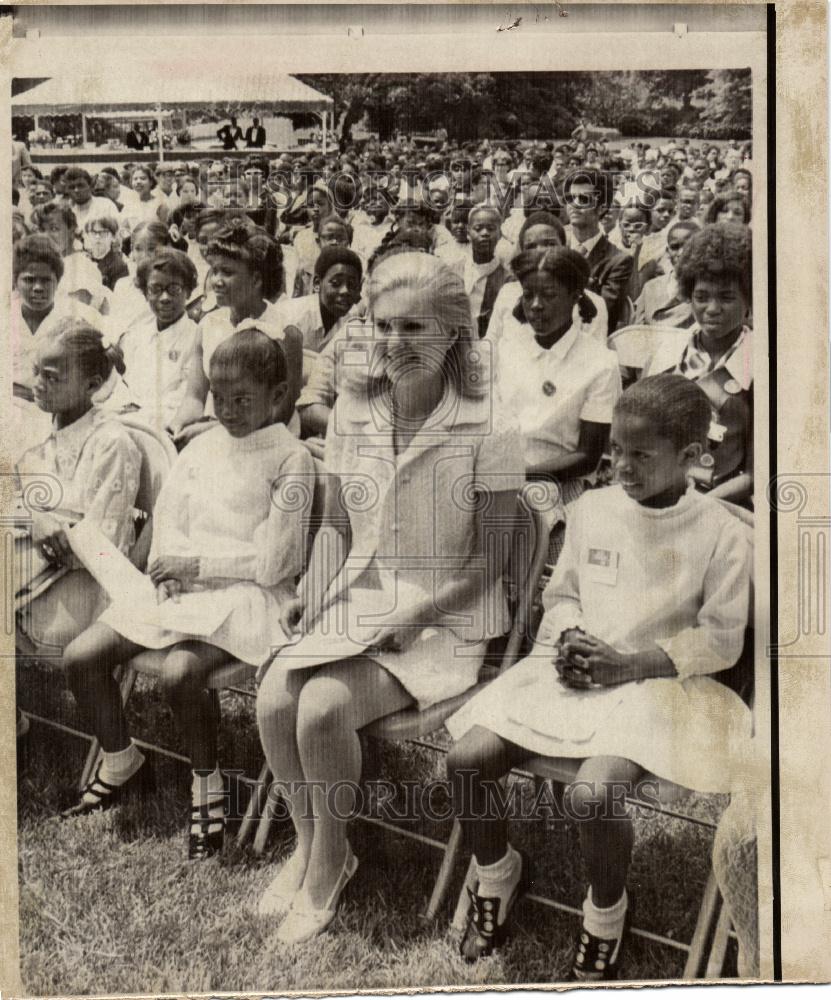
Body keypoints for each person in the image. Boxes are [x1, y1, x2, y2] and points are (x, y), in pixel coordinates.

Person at [255, 251, 525, 943]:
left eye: (414, 327)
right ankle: (315, 842)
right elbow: (338, 528)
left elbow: (491, 558)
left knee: (320, 710)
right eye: (384, 326)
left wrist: (417, 614)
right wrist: (311, 593)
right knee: (273, 696)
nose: (396, 343)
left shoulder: (489, 420)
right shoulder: (353, 408)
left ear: (454, 334)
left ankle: (327, 869)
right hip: (360, 595)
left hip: (446, 614)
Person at [445, 373, 751, 981]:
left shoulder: (723, 533)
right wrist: (569, 638)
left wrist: (631, 664)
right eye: (615, 451)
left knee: (593, 794)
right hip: (582, 671)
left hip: (662, 685)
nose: (622, 467)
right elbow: (562, 597)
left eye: (642, 455)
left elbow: (719, 640)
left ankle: (606, 911)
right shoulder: (591, 509)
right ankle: (500, 871)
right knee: (465, 760)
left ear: (693, 457)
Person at [60, 329, 314, 860]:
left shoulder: (291, 459)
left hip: (249, 595)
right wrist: (164, 570)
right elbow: (168, 522)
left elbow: (279, 562)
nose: (227, 409)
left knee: (179, 672)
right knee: (81, 657)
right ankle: (121, 761)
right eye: (219, 397)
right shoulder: (200, 445)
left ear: (277, 393)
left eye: (242, 399)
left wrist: (196, 565)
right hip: (184, 591)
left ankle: (207, 781)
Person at [15, 318, 141, 654]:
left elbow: (103, 548)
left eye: (52, 378)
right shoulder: (34, 423)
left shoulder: (112, 443)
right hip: (31, 552)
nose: (37, 384)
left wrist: (39, 520)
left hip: (85, 578)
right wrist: (35, 517)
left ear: (91, 384)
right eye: (36, 371)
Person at [491, 247, 620, 498]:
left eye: (549, 295)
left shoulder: (601, 362)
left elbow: (587, 457)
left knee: (522, 519)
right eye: (528, 296)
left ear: (574, 297)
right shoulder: (507, 350)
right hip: (498, 473)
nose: (536, 306)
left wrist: (516, 476)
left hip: (561, 482)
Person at [641, 223, 753, 505]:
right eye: (701, 297)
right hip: (656, 494)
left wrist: (695, 508)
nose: (712, 309)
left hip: (720, 504)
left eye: (727, 297)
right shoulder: (667, 354)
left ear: (750, 298)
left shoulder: (761, 366)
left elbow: (755, 473)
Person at [171, 221, 302, 445]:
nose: (216, 281)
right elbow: (194, 397)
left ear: (256, 279)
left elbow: (278, 414)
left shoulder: (285, 333)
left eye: (228, 272)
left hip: (266, 440)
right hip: (214, 429)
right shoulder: (209, 324)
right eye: (215, 271)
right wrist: (177, 426)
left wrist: (210, 431)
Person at [118, 249, 200, 434]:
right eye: (155, 289)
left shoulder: (196, 338)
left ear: (187, 291)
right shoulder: (135, 334)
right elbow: (119, 382)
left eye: (174, 289)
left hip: (164, 428)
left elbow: (185, 397)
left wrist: (141, 412)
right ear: (146, 293)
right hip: (123, 419)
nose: (164, 298)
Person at [562, 169, 633, 333]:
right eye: (570, 198)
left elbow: (602, 314)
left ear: (601, 208)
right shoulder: (555, 245)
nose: (574, 204)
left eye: (584, 199)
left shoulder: (618, 260)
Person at [632, 220, 700, 328]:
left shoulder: (705, 288)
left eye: (688, 247)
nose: (681, 252)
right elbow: (636, 330)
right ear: (668, 252)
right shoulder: (650, 287)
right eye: (675, 247)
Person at [83, 215, 130, 292]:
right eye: (93, 232)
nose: (97, 237)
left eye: (103, 233)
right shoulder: (84, 259)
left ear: (113, 237)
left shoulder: (119, 266)